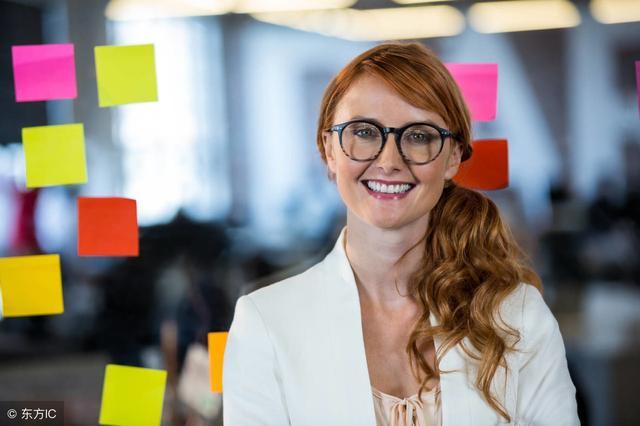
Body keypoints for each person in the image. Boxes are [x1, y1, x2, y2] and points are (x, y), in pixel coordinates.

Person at [222, 42, 579, 426]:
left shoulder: (517, 314)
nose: (389, 162)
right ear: (329, 149)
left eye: (419, 136)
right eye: (363, 131)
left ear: (453, 156)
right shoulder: (266, 322)